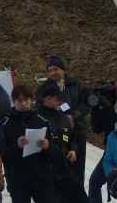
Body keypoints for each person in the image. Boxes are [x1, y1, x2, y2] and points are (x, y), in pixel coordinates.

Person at [2, 83, 73, 203]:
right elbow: (2, 155)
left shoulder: (41, 120)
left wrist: (47, 146)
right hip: (19, 181)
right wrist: (16, 146)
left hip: (42, 179)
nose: (23, 104)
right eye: (19, 101)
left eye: (26, 100)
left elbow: (56, 152)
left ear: (31, 100)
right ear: (13, 102)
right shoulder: (6, 123)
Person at [35, 55, 91, 183]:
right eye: (49, 70)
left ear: (63, 70)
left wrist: (73, 116)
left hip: (77, 132)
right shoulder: (44, 89)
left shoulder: (77, 85)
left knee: (78, 170)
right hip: (57, 134)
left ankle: (78, 198)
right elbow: (39, 107)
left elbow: (87, 104)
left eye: (55, 69)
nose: (52, 73)